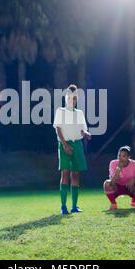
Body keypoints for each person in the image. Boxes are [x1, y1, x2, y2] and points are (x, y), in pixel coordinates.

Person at [53, 84, 91, 214]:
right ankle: (63, 206)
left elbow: (82, 129)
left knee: (75, 174)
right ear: (66, 98)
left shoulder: (79, 113)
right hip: (64, 144)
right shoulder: (60, 111)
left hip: (77, 145)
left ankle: (74, 206)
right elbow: (58, 129)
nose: (71, 100)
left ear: (76, 100)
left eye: (74, 98)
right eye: (69, 98)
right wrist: (64, 144)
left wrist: (86, 133)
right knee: (65, 173)